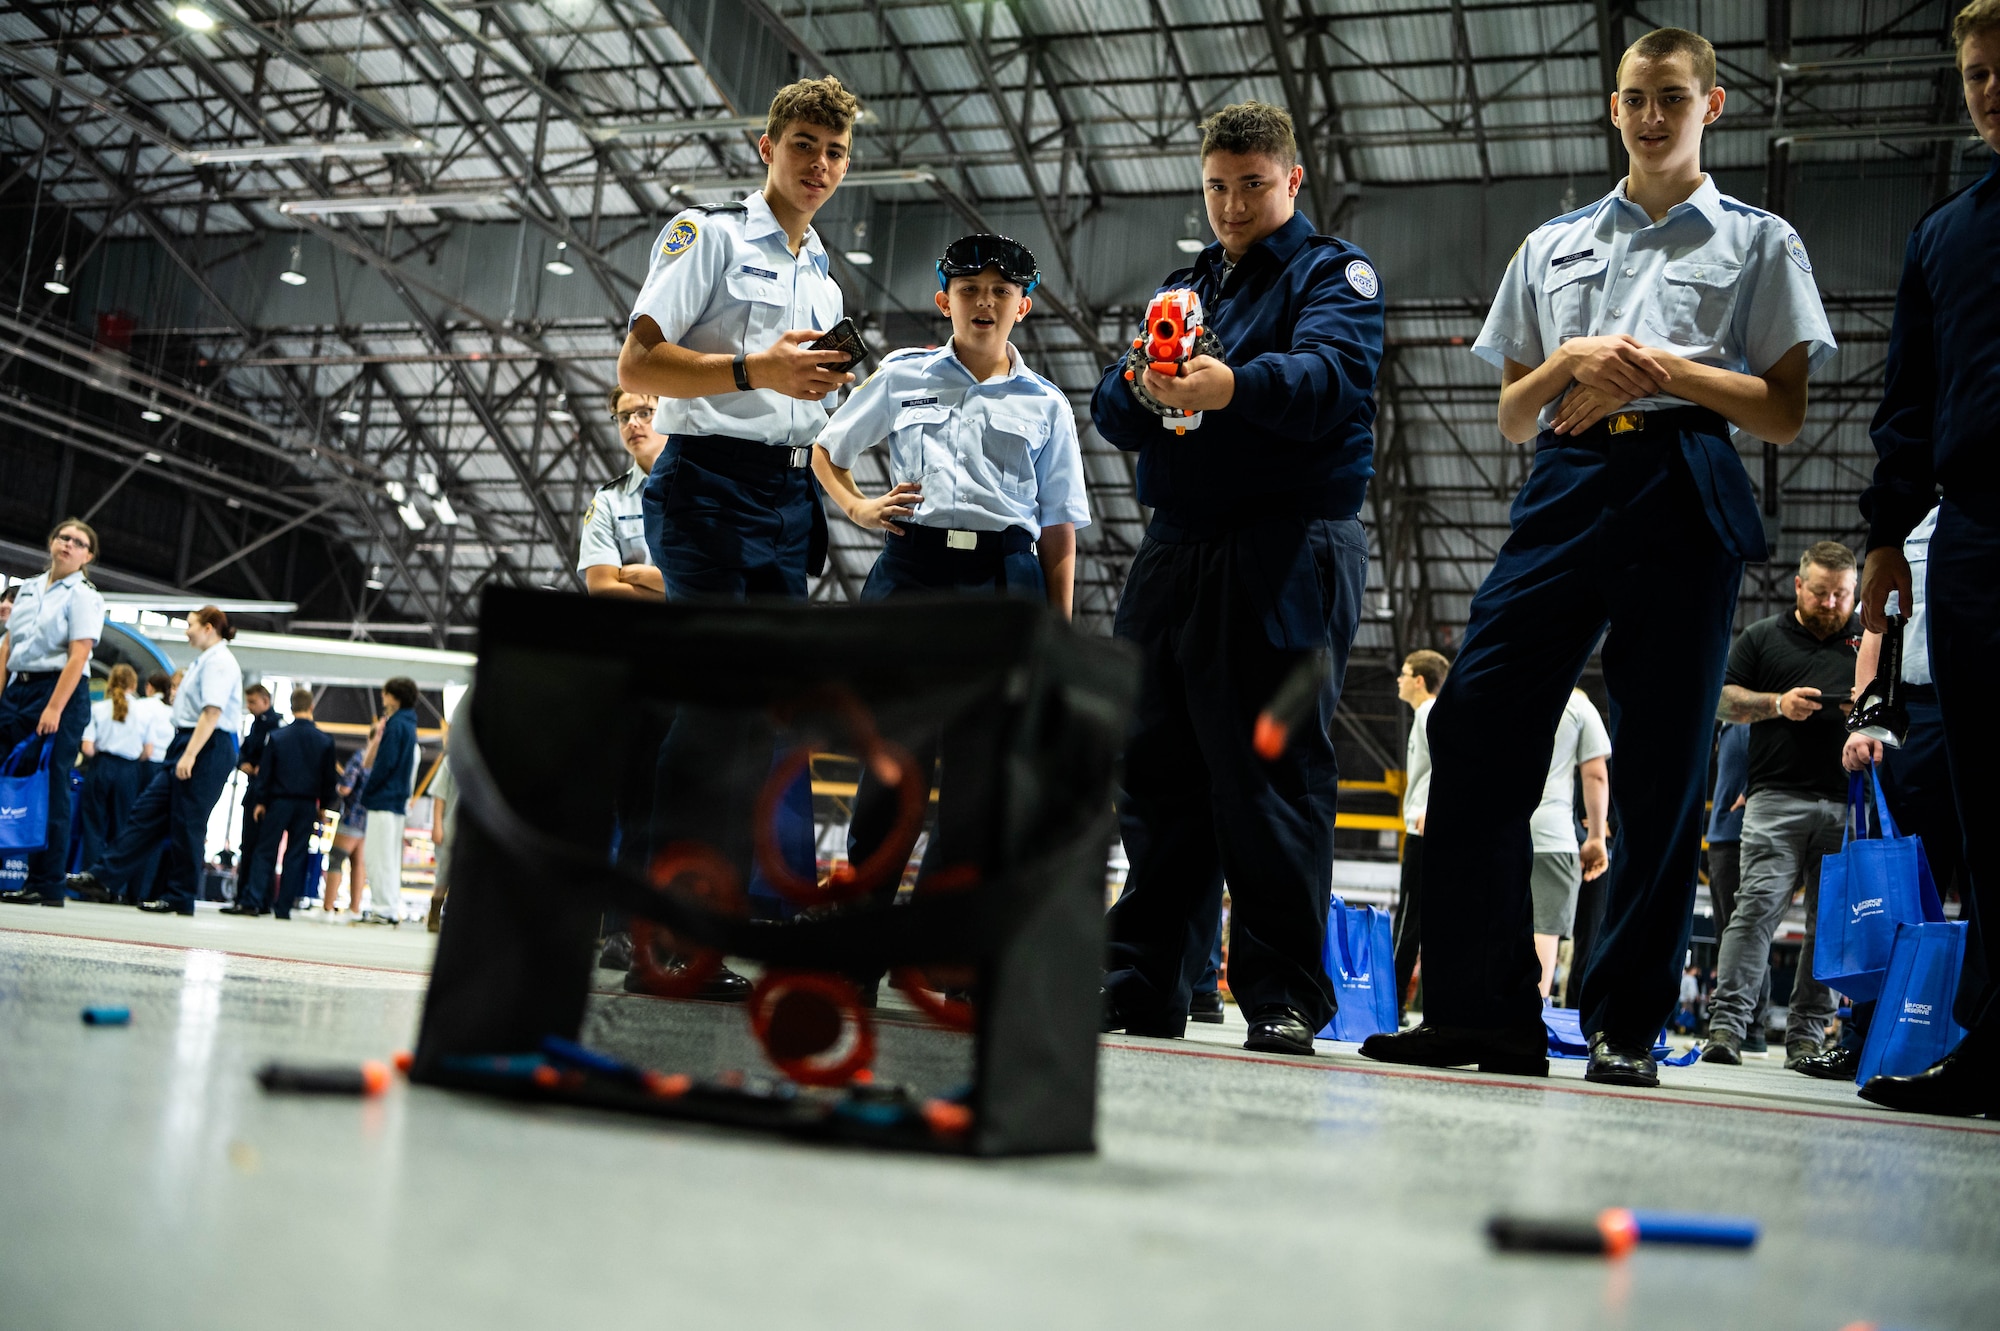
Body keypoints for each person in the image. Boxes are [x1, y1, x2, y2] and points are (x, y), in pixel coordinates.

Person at [1360, 27, 1836, 1088]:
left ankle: (1625, 1022)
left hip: (1684, 475)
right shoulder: (1554, 242)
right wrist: (1575, 359)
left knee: (1663, 755)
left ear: (1709, 106)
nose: (1651, 114)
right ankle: (1481, 1014)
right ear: (1611, 106)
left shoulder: (1758, 241)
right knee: (1473, 719)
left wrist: (1660, 369)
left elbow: (1783, 410)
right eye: (1633, 97)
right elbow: (1510, 412)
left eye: (1672, 96)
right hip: (1569, 481)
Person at [1090, 101, 1382, 1057]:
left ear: (1291, 180)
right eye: (1217, 186)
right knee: (1157, 772)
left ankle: (1282, 994)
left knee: (1269, 775)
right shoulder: (1186, 286)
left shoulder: (1332, 275)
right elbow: (1113, 405)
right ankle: (1142, 983)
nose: (1231, 203)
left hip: (1287, 548)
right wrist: (1142, 383)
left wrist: (1227, 385)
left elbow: (1329, 380)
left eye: (1251, 185)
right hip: (1176, 546)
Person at [813, 231, 1090, 1001]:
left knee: (981, 783)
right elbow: (824, 450)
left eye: (1002, 291)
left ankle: (950, 958)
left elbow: (1061, 529)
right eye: (970, 289)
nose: (985, 301)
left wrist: (1056, 642)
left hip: (1006, 579)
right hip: (914, 572)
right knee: (890, 767)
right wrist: (861, 507)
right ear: (945, 301)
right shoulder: (902, 377)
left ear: (1023, 307)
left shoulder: (1047, 405)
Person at [1853, 4, 1999, 1116]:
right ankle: (1991, 1041)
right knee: (1983, 792)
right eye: (1973, 75)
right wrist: (1883, 537)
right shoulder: (1945, 233)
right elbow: (1904, 401)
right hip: (1974, 530)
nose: (1987, 91)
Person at [618, 74, 861, 599]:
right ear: (767, 147)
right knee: (716, 670)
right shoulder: (709, 234)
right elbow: (636, 367)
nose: (820, 162)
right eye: (804, 144)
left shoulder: (825, 281)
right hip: (709, 484)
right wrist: (756, 370)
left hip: (794, 495)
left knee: (772, 676)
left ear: (845, 166)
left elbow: (802, 397)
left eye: (834, 152)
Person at [1806, 507, 1968, 1079]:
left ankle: (1976, 1044)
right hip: (1918, 713)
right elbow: (1878, 624)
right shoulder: (1911, 527)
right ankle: (1862, 1038)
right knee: (1895, 890)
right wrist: (1865, 722)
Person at [1700, 542, 1859, 1067]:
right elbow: (1719, 698)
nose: (1831, 604)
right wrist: (1777, 704)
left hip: (1848, 805)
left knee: (1829, 925)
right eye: (1820, 593)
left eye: (1841, 595)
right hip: (1775, 800)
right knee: (1754, 914)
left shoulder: (1870, 644)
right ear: (1798, 586)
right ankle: (1727, 1026)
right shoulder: (1762, 638)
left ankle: (1807, 1038)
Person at [70, 607, 245, 915]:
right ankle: (102, 877)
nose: (186, 631)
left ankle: (181, 895)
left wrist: (190, 754)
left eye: (190, 625)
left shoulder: (219, 662)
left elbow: (212, 713)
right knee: (146, 811)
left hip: (206, 744)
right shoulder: (203, 660)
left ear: (208, 628)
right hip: (188, 741)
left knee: (187, 822)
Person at [0, 519, 104, 907]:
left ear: (87, 556)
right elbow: (8, 648)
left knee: (50, 784)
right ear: (52, 542)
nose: (68, 544)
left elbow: (78, 655)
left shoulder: (83, 595)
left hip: (60, 690)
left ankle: (47, 883)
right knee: (8, 778)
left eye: (78, 542)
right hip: (19, 689)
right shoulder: (27, 589)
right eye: (63, 537)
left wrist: (55, 707)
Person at [230, 688, 339, 919]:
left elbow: (266, 772)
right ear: (311, 707)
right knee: (296, 855)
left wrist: (261, 801)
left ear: (291, 707)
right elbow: (329, 779)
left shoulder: (278, 737)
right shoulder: (324, 741)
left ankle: (253, 901)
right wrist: (323, 807)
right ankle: (283, 908)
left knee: (265, 851)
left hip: (278, 802)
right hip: (307, 804)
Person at [1532, 689, 1612, 1001]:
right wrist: (1595, 838)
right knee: (1544, 926)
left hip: (1502, 829)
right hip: (1551, 833)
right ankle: (1528, 1015)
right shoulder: (1578, 705)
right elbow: (1595, 776)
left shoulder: (1508, 691)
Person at [1702, 722, 1772, 1047]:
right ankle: (1739, 1021)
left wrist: (1750, 790)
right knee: (1726, 934)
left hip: (1742, 833)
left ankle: (1752, 1024)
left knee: (1746, 932)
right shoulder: (1726, 726)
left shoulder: (1754, 722)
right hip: (1721, 836)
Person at [1393, 649, 1449, 1019]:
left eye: (1404, 672)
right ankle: (1423, 1003)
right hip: (1423, 826)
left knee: (1409, 917)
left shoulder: (1430, 713)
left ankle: (1392, 999)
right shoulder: (1425, 715)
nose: (1398, 678)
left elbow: (1450, 760)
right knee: (1425, 918)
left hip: (1423, 828)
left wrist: (1431, 808)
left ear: (1419, 680)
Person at [581, 387, 668, 600]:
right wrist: (675, 594)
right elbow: (602, 589)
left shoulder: (701, 487)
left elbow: (718, 584)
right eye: (623, 417)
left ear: (667, 414)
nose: (632, 423)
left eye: (644, 413)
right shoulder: (608, 501)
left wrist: (641, 576)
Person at [76, 663, 153, 885]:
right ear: (134, 684)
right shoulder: (143, 711)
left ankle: (88, 880)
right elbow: (148, 751)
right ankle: (114, 885)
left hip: (101, 767)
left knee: (93, 826)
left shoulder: (99, 708)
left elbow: (87, 748)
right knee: (122, 828)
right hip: (128, 771)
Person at [356, 677, 420, 926]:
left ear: (394, 697)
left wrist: (369, 790)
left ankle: (382, 909)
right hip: (398, 799)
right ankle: (389, 906)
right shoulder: (410, 725)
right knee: (391, 857)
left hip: (384, 797)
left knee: (377, 855)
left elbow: (385, 762)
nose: (383, 698)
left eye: (385, 694)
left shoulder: (395, 725)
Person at [232, 683, 279, 893]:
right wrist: (243, 763)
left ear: (265, 701)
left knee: (261, 847)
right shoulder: (255, 725)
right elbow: (243, 750)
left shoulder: (277, 726)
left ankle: (257, 896)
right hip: (252, 790)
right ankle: (243, 893)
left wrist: (264, 767)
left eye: (252, 702)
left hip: (266, 793)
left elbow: (275, 760)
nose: (249, 707)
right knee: (248, 845)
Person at [322, 743, 371, 916]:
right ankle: (354, 909)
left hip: (352, 816)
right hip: (370, 821)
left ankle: (328, 908)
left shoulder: (361, 756)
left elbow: (346, 787)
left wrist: (338, 789)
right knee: (359, 864)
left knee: (336, 859)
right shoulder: (385, 760)